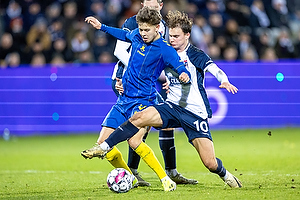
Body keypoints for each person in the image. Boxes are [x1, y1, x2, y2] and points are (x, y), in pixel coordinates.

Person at [85, 10, 243, 189]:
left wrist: (224, 80)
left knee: (210, 163)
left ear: (187, 35)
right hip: (172, 107)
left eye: (176, 36)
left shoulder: (195, 54)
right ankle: (105, 147)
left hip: (194, 113)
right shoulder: (163, 48)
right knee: (138, 119)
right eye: (171, 35)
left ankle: (225, 174)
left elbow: (215, 69)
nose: (173, 39)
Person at [82, 7, 191, 191]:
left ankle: (165, 178)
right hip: (124, 100)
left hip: (144, 102)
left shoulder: (164, 49)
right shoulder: (136, 36)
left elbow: (180, 66)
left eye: (146, 30)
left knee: (134, 142)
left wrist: (183, 74)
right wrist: (101, 26)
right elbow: (122, 34)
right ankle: (131, 178)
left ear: (158, 27)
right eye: (140, 29)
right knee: (102, 144)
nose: (143, 33)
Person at [111, 0, 197, 186]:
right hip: (129, 81)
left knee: (162, 124)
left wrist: (169, 77)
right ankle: (134, 171)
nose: (150, 8)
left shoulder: (163, 26)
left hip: (149, 83)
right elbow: (120, 51)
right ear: (142, 4)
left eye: (154, 4)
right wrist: (140, 72)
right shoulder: (133, 23)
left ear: (160, 4)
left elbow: (164, 55)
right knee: (138, 124)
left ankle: (170, 171)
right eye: (146, 4)